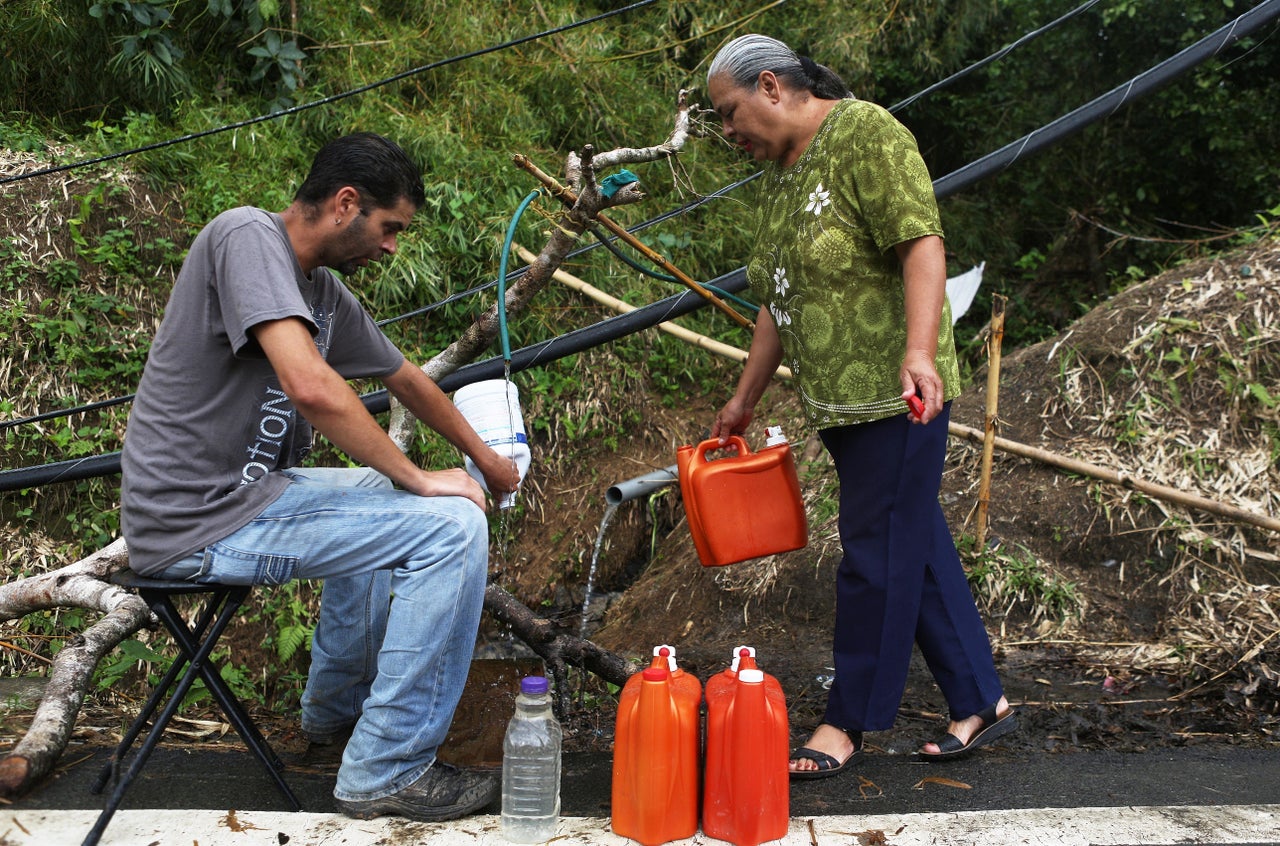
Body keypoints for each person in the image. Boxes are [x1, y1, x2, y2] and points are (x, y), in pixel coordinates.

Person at [120, 132, 520, 820]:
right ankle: (387, 771)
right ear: (345, 204)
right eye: (390, 227)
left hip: (250, 500)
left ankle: (334, 721)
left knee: (391, 496)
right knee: (451, 527)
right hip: (195, 522)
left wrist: (484, 459)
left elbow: (409, 382)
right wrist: (424, 479)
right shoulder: (245, 236)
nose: (392, 246)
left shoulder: (322, 292)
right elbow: (310, 386)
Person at [705, 35, 1016, 779]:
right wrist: (743, 399)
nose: (727, 132)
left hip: (896, 391)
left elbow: (921, 243)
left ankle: (848, 721)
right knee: (914, 541)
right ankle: (981, 698)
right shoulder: (782, 176)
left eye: (728, 113)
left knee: (874, 555)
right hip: (839, 403)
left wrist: (917, 349)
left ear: (772, 86)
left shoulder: (866, 134)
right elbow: (778, 302)